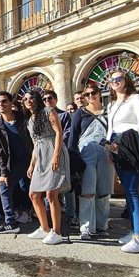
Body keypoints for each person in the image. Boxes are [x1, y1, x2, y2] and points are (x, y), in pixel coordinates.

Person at [106, 70, 139, 253]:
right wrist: (108, 148)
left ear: (126, 80)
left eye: (119, 79)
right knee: (127, 189)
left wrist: (125, 140)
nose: (115, 82)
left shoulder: (135, 98)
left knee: (132, 190)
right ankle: (133, 232)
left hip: (130, 143)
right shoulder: (112, 104)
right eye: (112, 80)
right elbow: (110, 127)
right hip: (116, 145)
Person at [23, 89, 71, 245]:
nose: (28, 101)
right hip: (40, 155)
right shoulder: (30, 120)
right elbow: (36, 143)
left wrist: (56, 154)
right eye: (25, 99)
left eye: (31, 98)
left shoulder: (48, 110)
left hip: (53, 150)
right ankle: (44, 228)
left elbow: (59, 132)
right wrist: (31, 164)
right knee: (34, 194)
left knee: (51, 194)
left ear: (37, 99)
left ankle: (56, 232)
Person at [68, 83, 113, 240]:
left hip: (106, 153)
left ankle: (101, 225)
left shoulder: (110, 111)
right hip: (86, 153)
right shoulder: (80, 113)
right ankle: (86, 227)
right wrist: (73, 160)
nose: (90, 97)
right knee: (87, 190)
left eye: (93, 93)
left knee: (104, 191)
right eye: (87, 95)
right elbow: (73, 137)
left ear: (100, 93)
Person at [0, 91, 34, 234]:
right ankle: (10, 221)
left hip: (33, 158)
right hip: (14, 163)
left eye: (4, 101)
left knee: (38, 190)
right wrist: (3, 172)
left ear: (11, 103)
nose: (1, 104)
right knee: (4, 185)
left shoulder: (23, 118)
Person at [43, 90, 76, 227]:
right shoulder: (41, 117)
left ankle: (71, 215)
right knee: (49, 186)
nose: (47, 101)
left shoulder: (64, 115)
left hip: (61, 153)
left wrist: (58, 150)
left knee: (66, 185)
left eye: (50, 98)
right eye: (44, 99)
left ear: (56, 100)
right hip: (46, 155)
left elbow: (67, 134)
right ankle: (50, 216)